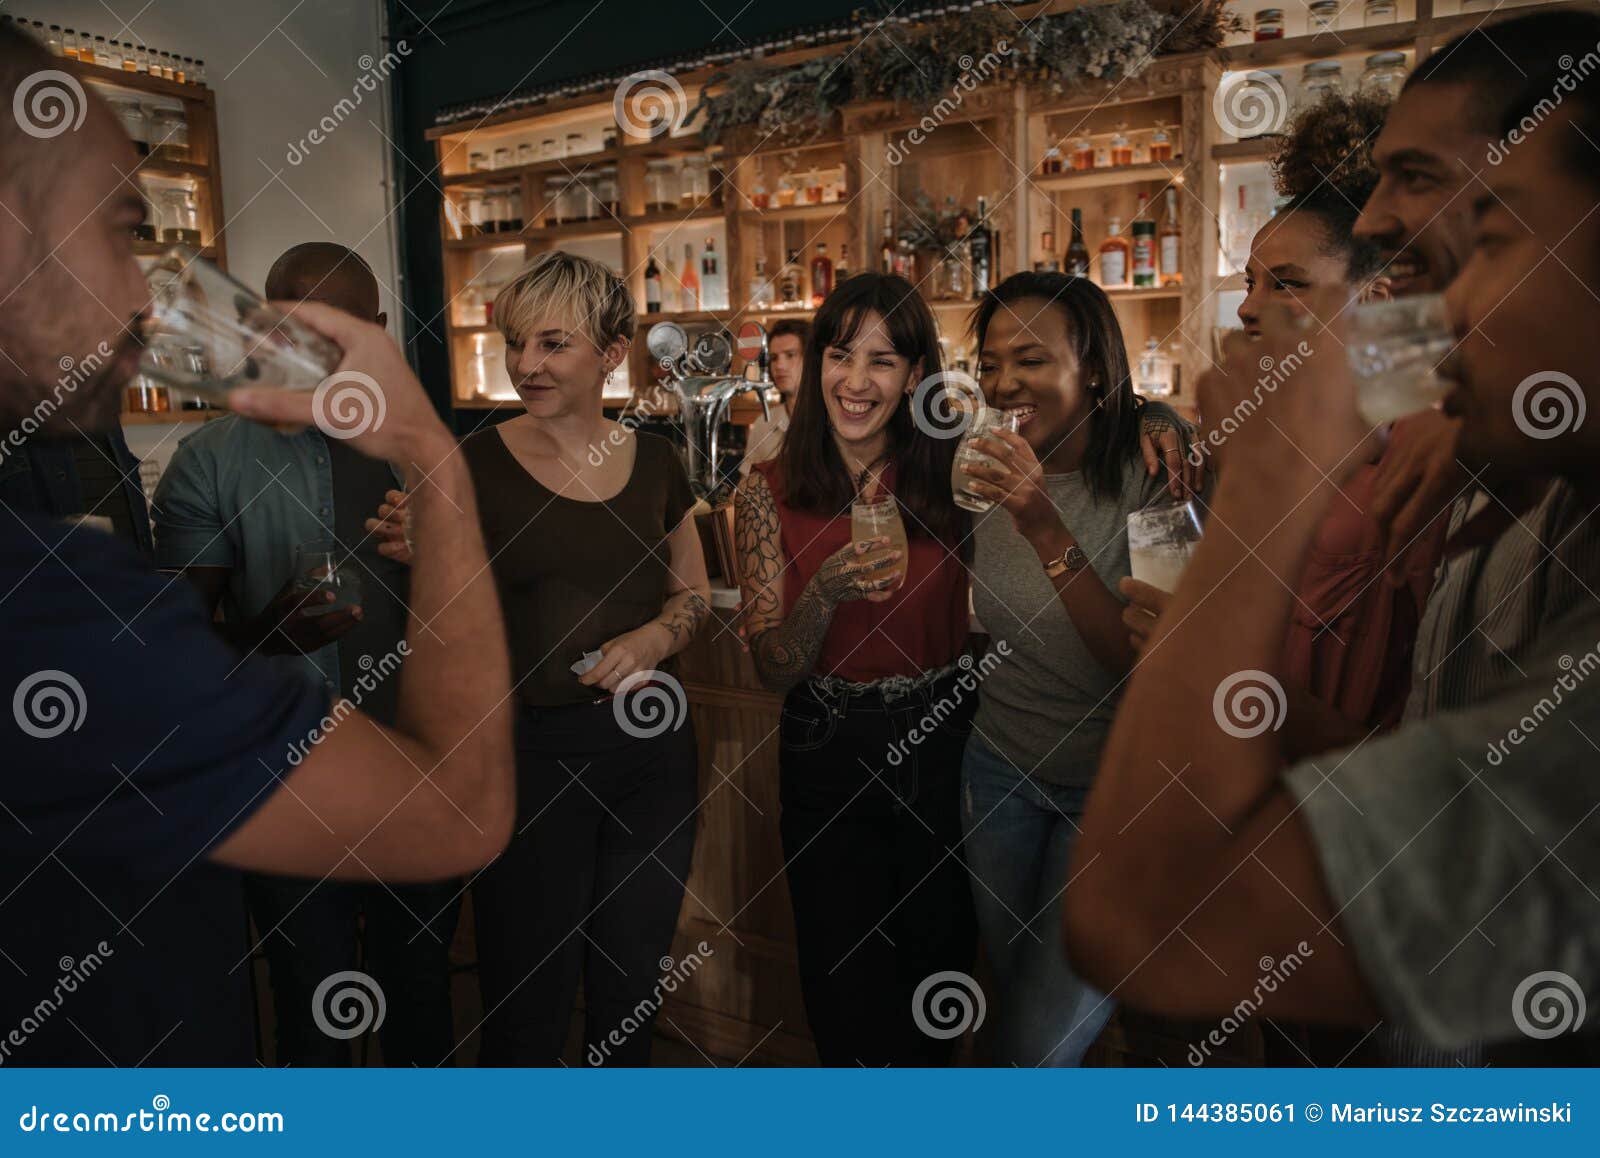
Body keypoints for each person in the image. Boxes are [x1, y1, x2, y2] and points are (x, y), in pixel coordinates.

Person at [1064, 9, 1600, 1063]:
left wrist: (1267, 479)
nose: (1385, 214)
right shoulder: (1499, 440)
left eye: (1488, 226)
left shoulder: (1410, 413)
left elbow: (1145, 921)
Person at [0, 24, 512, 1066]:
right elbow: (458, 806)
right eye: (122, 228)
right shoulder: (57, 597)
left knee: (416, 992)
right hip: (279, 797)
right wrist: (432, 451)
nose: (148, 295)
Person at [153, 243, 462, 1067]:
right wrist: (266, 637)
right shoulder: (212, 460)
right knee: (313, 1008)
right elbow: (174, 651)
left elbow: (491, 625)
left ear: (379, 331)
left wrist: (444, 556)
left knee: (423, 997)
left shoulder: (434, 459)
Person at [1125, 92, 1448, 756]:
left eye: (1287, 284)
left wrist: (1204, 657)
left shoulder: (1427, 447)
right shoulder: (1276, 426)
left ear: (1378, 299)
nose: (1249, 308)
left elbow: (1425, 744)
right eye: (1249, 282)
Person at [461, 250, 710, 1066]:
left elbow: (694, 597)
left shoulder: (657, 461)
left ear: (611, 354)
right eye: (517, 343)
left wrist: (650, 640)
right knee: (525, 992)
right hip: (529, 755)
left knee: (628, 987)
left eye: (553, 344)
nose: (527, 365)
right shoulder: (472, 466)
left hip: (651, 755)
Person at [734, 272, 977, 1066]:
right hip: (827, 740)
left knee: (940, 977)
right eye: (841, 355)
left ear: (914, 374)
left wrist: (1153, 415)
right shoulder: (768, 494)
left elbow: (1069, 438)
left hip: (944, 734)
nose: (856, 381)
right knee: (842, 986)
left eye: (883, 361)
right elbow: (773, 667)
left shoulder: (955, 474)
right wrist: (825, 595)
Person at [954, 271, 1193, 1066]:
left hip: (1110, 792)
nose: (1003, 383)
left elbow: (1148, 664)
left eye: (1029, 359)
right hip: (998, 774)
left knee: (1033, 1046)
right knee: (1028, 996)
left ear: (1091, 363)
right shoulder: (982, 463)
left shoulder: (1158, 475)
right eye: (990, 363)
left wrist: (1043, 523)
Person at [742, 316, 808, 471]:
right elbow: (746, 487)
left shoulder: (834, 419)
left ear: (811, 359)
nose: (779, 365)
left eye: (790, 355)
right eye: (773, 358)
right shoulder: (763, 424)